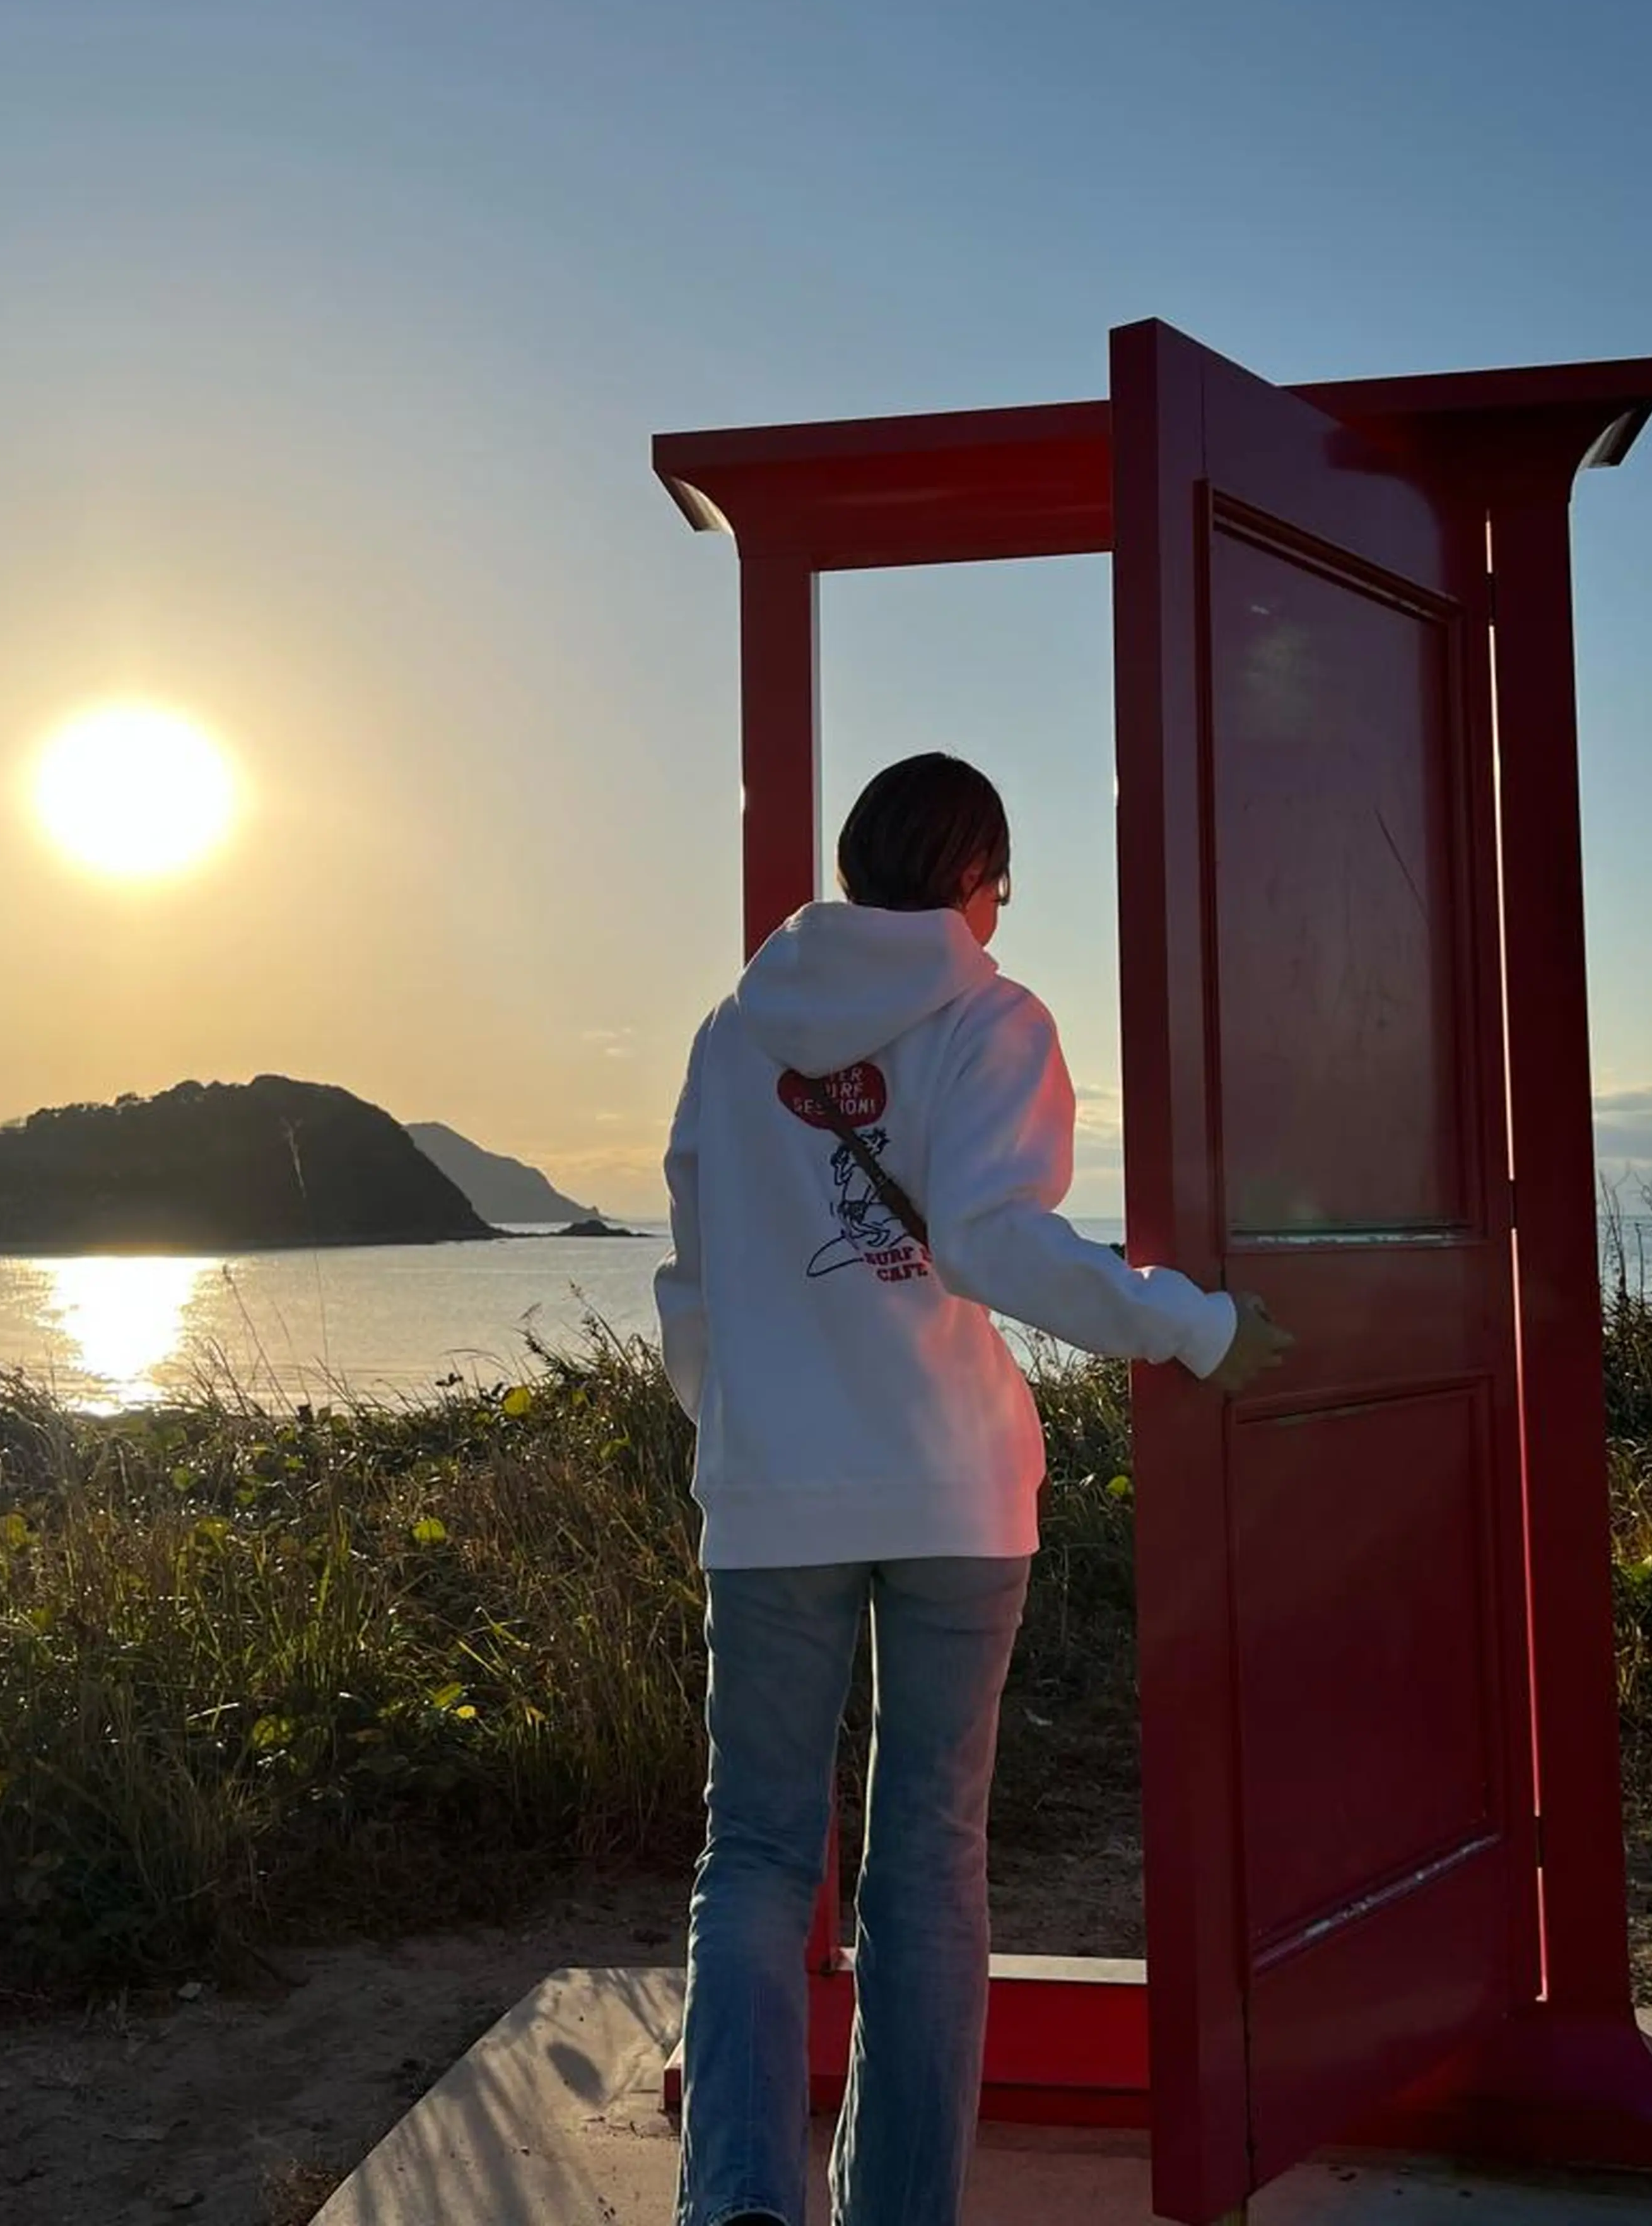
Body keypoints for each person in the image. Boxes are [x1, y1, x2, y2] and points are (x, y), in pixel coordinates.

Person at [654, 751, 1293, 2226]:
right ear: (969, 878)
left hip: (773, 1504)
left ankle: (742, 2203)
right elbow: (997, 1243)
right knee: (927, 1870)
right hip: (951, 1489)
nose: (1001, 911)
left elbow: (694, 1283)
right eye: (1001, 883)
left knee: (754, 1856)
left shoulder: (728, 1034)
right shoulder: (994, 1018)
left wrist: (744, 1429)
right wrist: (1192, 1325)